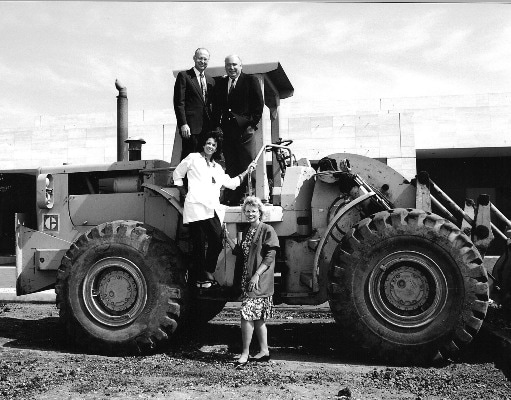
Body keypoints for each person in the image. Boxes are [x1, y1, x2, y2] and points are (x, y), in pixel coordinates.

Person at [173, 130, 256, 288]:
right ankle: (201, 279)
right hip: (196, 206)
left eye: (214, 145)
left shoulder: (217, 168)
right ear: (203, 144)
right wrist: (184, 193)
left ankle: (207, 271)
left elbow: (232, 183)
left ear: (217, 148)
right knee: (198, 244)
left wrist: (247, 171)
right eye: (208, 143)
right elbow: (177, 175)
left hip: (211, 208)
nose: (210, 146)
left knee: (217, 241)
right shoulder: (193, 158)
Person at [225, 196, 279, 365]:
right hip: (248, 279)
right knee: (258, 319)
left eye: (253, 211)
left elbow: (271, 255)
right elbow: (242, 254)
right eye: (247, 211)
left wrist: (256, 275)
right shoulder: (249, 231)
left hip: (258, 280)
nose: (250, 214)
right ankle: (264, 351)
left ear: (259, 212)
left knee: (246, 316)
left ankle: (245, 353)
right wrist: (227, 239)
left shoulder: (267, 229)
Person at [213, 55, 264, 205]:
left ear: (241, 66)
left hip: (244, 131)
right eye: (228, 65)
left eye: (235, 65)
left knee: (247, 164)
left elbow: (258, 106)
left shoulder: (250, 81)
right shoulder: (221, 84)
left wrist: (251, 125)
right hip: (227, 132)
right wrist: (218, 125)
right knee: (231, 164)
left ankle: (249, 197)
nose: (231, 68)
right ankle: (233, 198)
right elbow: (216, 107)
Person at [173, 48, 215, 161]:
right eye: (200, 58)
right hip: (190, 128)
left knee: (204, 161)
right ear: (194, 58)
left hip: (206, 129)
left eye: (205, 59)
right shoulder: (184, 76)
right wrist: (183, 124)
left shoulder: (211, 80)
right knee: (190, 160)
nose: (202, 61)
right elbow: (179, 102)